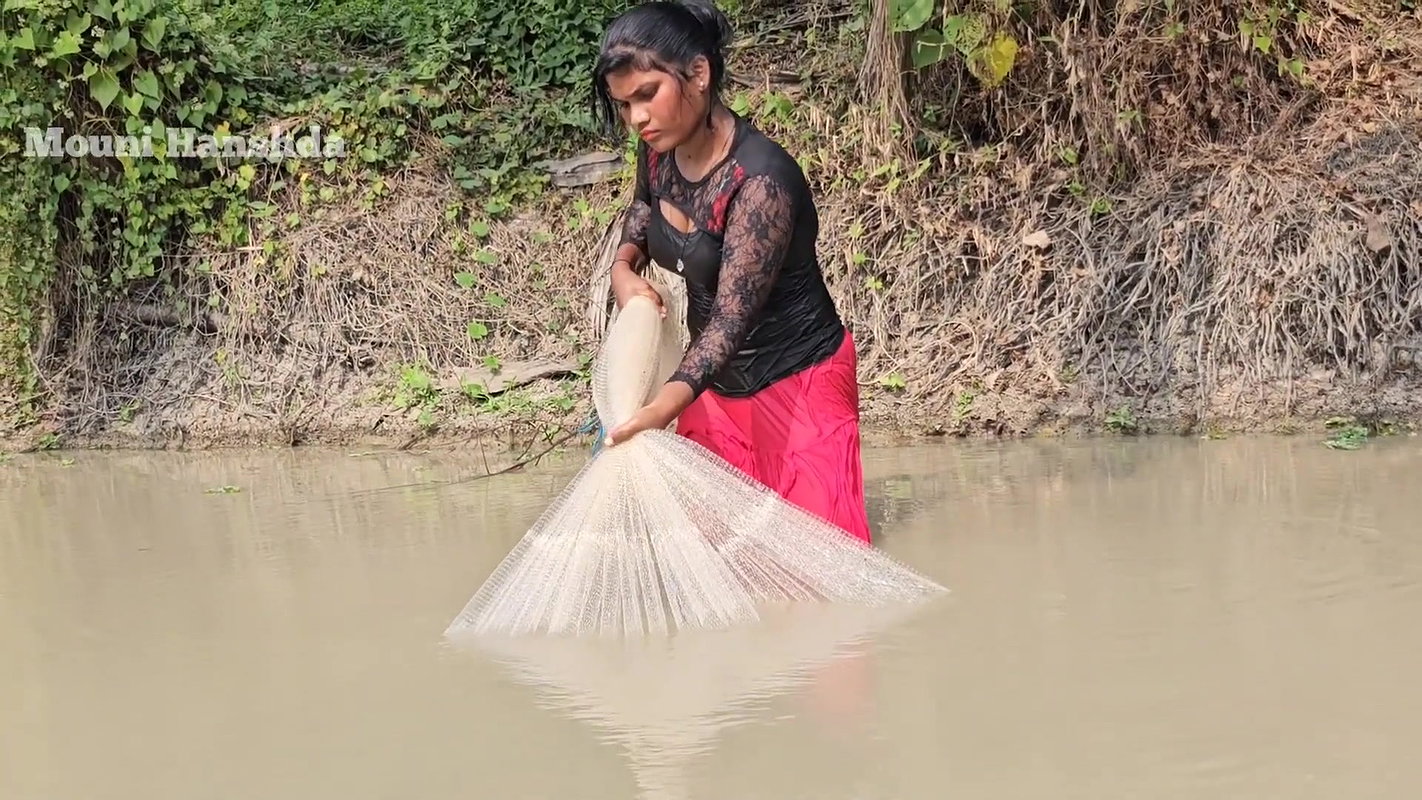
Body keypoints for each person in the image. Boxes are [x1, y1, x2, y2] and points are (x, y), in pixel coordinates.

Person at [592, 0, 872, 544]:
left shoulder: (759, 182)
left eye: (647, 95)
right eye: (624, 105)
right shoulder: (658, 154)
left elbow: (730, 320)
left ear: (699, 73)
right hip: (713, 389)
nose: (637, 119)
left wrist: (657, 412)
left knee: (820, 567)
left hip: (797, 385)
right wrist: (623, 273)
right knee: (721, 559)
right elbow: (641, 216)